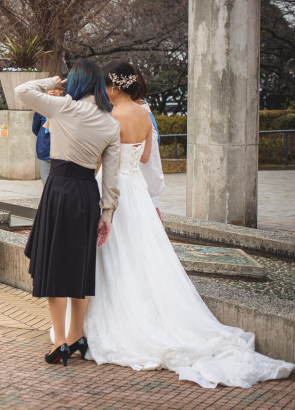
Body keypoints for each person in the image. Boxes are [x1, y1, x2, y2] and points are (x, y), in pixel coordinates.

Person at [83, 60, 294, 388]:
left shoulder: (112, 116)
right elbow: (142, 157)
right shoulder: (143, 114)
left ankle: (124, 319)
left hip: (114, 190)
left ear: (113, 86)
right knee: (142, 256)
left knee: (113, 255)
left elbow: (98, 157)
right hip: (136, 191)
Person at [15, 60, 121, 366]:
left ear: (76, 82)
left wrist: (51, 81)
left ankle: (60, 341)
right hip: (89, 192)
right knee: (80, 265)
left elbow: (23, 90)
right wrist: (107, 214)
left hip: (59, 190)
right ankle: (77, 336)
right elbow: (111, 178)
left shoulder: (63, 107)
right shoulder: (111, 123)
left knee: (55, 268)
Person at [131, 66, 165, 219]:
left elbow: (145, 157)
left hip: (140, 188)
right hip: (143, 187)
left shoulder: (139, 115)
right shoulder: (144, 111)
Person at [31, 89, 62, 185]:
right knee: (47, 184)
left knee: (60, 184)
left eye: (56, 88)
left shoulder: (66, 107)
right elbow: (35, 129)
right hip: (44, 151)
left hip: (62, 153)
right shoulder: (40, 109)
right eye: (50, 88)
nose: (53, 90)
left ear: (61, 90)